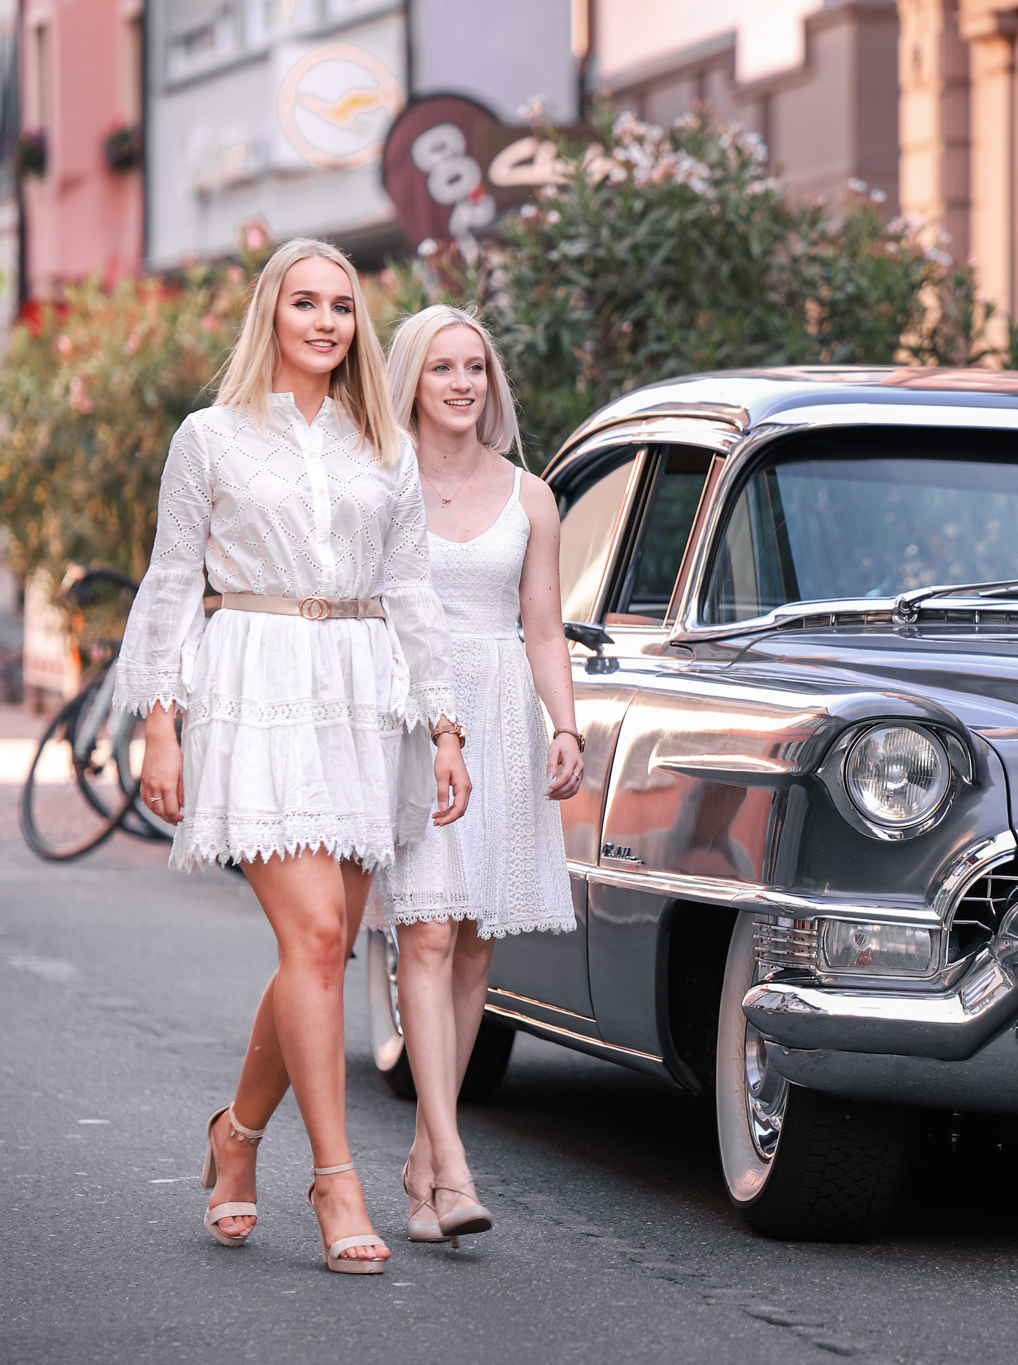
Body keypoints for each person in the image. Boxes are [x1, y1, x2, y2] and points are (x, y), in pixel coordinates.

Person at [118, 239, 469, 1274]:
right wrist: (158, 719)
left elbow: (412, 593)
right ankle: (334, 1178)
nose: (325, 321)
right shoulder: (211, 437)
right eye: (305, 303)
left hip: (363, 699)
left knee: (318, 948)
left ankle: (234, 1138)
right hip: (255, 686)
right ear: (270, 314)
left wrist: (444, 726)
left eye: (342, 307)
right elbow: (173, 578)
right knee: (315, 932)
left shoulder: (384, 446)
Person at [371, 305, 582, 1247]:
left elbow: (542, 626)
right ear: (411, 380)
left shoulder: (532, 496)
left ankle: (425, 1157)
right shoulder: (379, 486)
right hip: (413, 714)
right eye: (443, 368)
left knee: (473, 949)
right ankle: (454, 1167)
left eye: (476, 368)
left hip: (499, 712)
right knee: (424, 933)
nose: (462, 384)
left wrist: (564, 724)